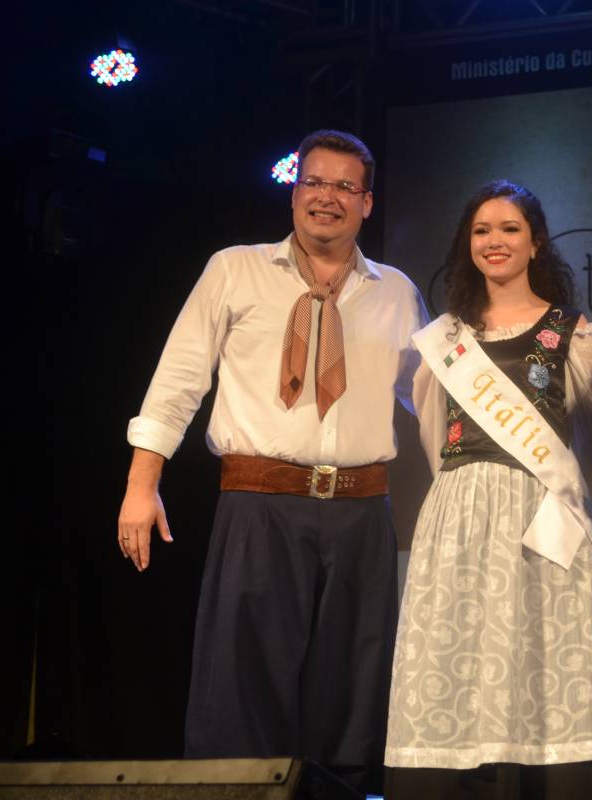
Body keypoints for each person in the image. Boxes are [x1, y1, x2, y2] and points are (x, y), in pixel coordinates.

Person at [117, 130, 427, 784]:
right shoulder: (236, 269)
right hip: (259, 503)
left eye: (345, 186)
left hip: (361, 513)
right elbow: (178, 380)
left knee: (351, 694)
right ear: (294, 193)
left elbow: (431, 399)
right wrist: (141, 486)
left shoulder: (396, 292)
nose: (327, 198)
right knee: (240, 692)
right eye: (314, 182)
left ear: (367, 203)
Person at [384, 181, 592, 800]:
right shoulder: (444, 340)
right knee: (461, 653)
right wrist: (470, 492)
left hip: (543, 514)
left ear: (536, 242)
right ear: (466, 244)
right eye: (481, 230)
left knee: (548, 653)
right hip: (461, 516)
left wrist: (562, 501)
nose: (494, 241)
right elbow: (432, 434)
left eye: (509, 229)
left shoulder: (571, 334)